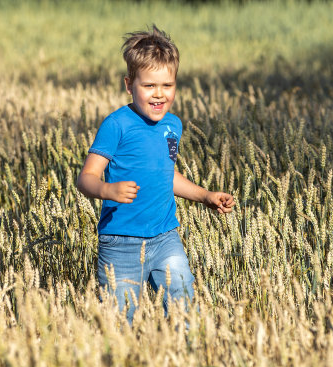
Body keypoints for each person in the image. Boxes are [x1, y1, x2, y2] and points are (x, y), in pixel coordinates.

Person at [77, 25, 234, 324]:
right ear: (129, 84)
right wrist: (107, 190)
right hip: (120, 242)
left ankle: (188, 361)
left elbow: (167, 175)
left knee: (184, 304)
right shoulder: (116, 125)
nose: (159, 94)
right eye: (149, 86)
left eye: (167, 85)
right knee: (120, 319)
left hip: (165, 237)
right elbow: (86, 178)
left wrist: (205, 196)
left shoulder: (173, 125)